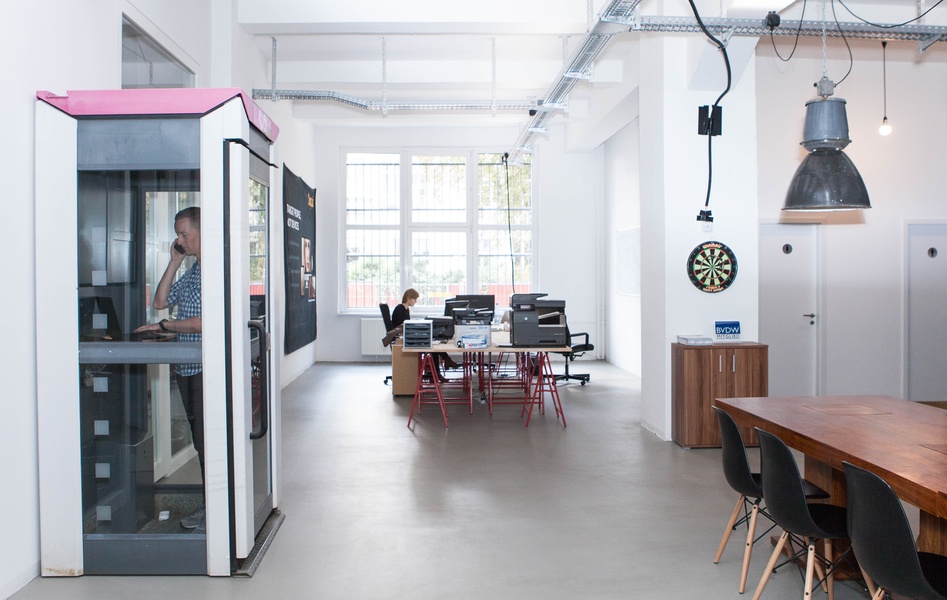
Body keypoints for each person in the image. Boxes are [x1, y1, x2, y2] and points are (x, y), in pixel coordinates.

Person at [133, 206, 204, 530]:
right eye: (178, 234)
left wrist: (168, 325)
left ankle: (216, 510)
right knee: (200, 440)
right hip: (186, 369)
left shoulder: (216, 270)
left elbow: (206, 322)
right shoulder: (191, 271)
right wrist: (174, 261)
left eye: (184, 234)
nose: (179, 239)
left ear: (201, 232)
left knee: (209, 442)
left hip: (206, 371)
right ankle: (211, 507)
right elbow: (160, 301)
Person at [391, 288, 459, 371]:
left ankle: (441, 366)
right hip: (403, 338)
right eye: (415, 299)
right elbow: (403, 326)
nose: (416, 301)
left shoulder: (406, 309)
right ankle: (439, 369)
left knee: (432, 343)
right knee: (432, 346)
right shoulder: (400, 309)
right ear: (409, 298)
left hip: (406, 336)